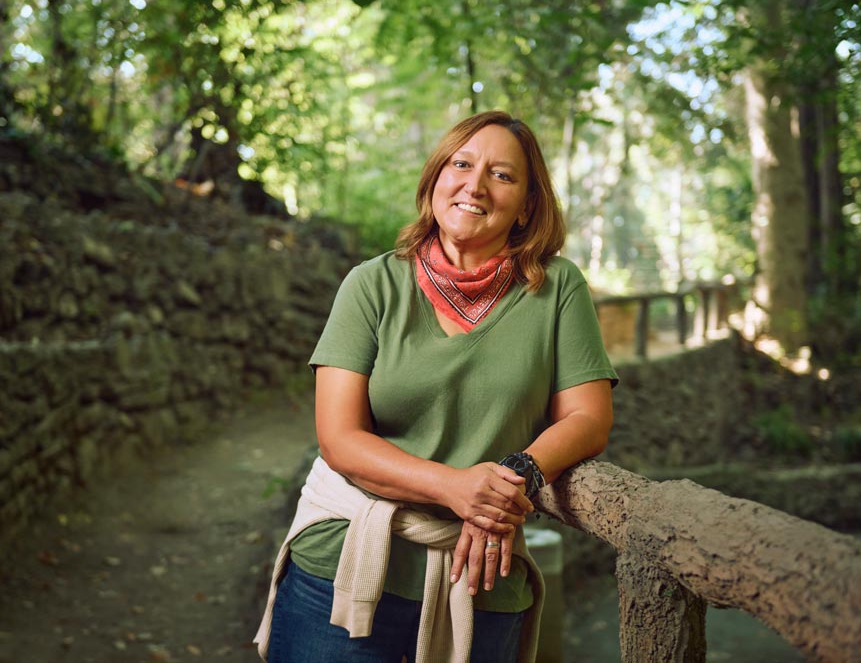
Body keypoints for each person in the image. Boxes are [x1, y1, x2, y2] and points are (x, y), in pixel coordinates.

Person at [254, 110, 618, 663]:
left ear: (527, 204)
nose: (475, 184)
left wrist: (515, 477)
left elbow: (588, 417)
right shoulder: (373, 284)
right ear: (435, 180)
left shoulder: (557, 287)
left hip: (482, 574)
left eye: (502, 175)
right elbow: (339, 438)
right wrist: (453, 488)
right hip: (344, 566)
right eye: (462, 164)